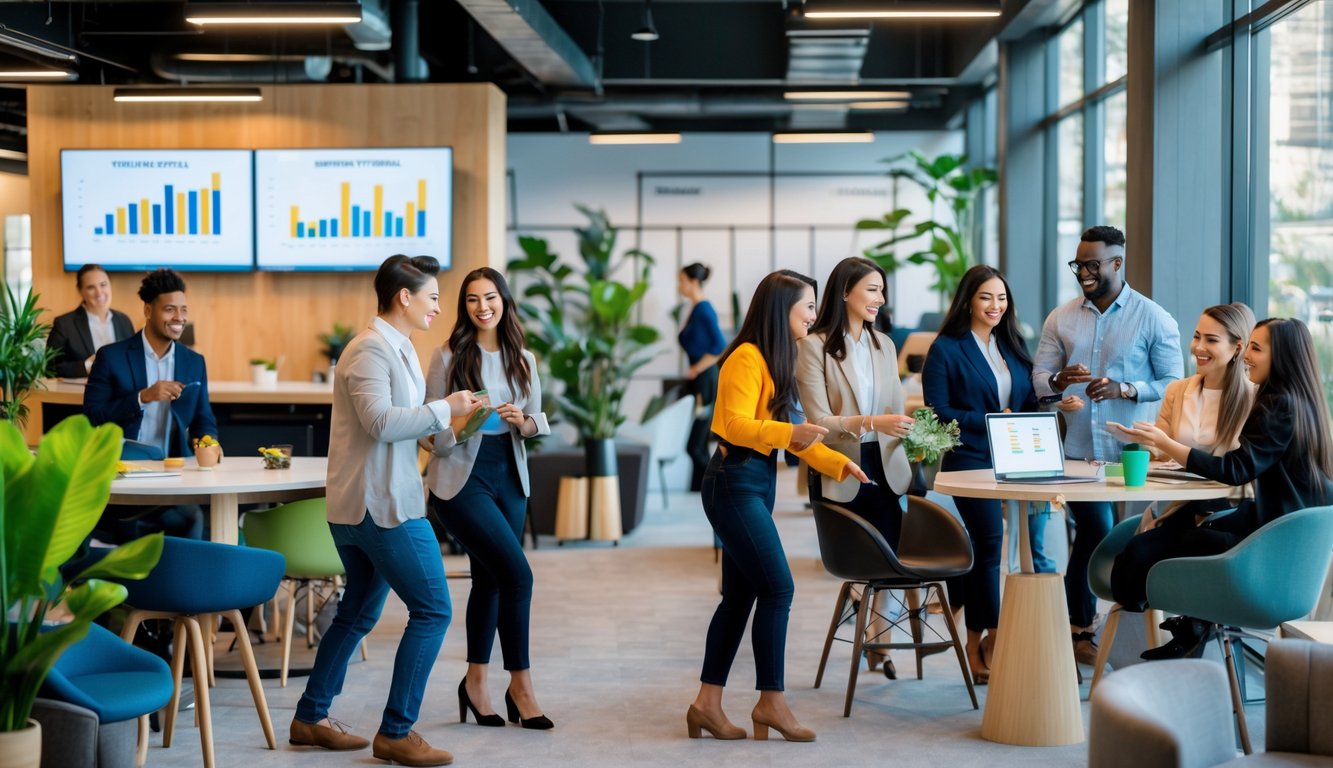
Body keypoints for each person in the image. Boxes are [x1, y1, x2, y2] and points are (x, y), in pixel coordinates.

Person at [291, 254, 480, 767]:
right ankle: (396, 731)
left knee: (357, 612)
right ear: (404, 297)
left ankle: (309, 717)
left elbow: (411, 428)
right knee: (434, 610)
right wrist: (444, 408)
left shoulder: (400, 349)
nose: (438, 307)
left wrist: (458, 424)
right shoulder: (369, 349)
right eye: (432, 297)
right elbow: (380, 423)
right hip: (381, 507)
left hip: (371, 505)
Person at [687, 270, 869, 743]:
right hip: (733, 482)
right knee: (778, 588)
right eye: (807, 306)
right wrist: (791, 433)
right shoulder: (746, 357)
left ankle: (706, 705)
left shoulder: (779, 357)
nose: (813, 315)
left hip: (755, 481)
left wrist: (838, 464)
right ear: (780, 308)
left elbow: (797, 435)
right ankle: (771, 702)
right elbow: (734, 425)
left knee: (740, 596)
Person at [1111, 318, 1333, 658]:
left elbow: (1236, 469)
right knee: (1174, 531)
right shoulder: (1307, 405)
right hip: (1285, 548)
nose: (1246, 356)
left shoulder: (1277, 405)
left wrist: (1166, 443)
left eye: (1256, 348)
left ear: (1282, 356)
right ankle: (1193, 623)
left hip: (1262, 553)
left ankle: (1180, 620)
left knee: (1141, 550)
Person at [1032, 225, 1183, 667]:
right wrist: (1058, 380)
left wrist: (1126, 389)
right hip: (1079, 454)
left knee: (1138, 539)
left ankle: (1134, 628)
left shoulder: (1154, 317)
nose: (1084, 272)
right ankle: (1080, 628)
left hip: (1136, 455)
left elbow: (1174, 382)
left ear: (1117, 263)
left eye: (1093, 264)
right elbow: (1039, 378)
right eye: (1079, 264)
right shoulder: (1060, 318)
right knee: (1095, 530)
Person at [921, 264, 1080, 684]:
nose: (995, 305)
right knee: (989, 543)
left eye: (1002, 298)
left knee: (1029, 545)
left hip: (1018, 459)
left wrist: (1056, 402)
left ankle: (1003, 638)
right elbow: (938, 411)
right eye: (986, 297)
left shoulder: (1011, 344)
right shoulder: (946, 349)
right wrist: (991, 420)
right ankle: (981, 640)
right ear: (968, 301)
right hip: (971, 461)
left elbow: (1026, 400)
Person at [424, 267, 553, 731]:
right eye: (473, 299)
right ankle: (521, 686)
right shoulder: (447, 355)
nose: (483, 307)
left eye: (491, 297)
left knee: (491, 581)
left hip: (510, 476)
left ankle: (475, 683)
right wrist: (460, 427)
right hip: (462, 479)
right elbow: (428, 429)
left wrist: (522, 421)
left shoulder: (524, 358)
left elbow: (537, 420)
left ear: (504, 301)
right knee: (518, 575)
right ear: (465, 306)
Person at [795, 256, 915, 679]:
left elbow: (896, 409)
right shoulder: (814, 347)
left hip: (886, 466)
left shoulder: (885, 345)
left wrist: (912, 431)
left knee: (889, 560)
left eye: (882, 291)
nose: (880, 299)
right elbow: (817, 421)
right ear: (845, 291)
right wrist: (871, 422)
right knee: (863, 562)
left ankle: (880, 643)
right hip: (843, 467)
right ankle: (864, 615)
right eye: (872, 290)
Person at [84, 268, 217, 540]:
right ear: (147, 310)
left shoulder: (194, 362)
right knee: (130, 530)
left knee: (192, 517)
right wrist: (142, 397)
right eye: (169, 309)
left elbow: (204, 419)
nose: (179, 317)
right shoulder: (111, 357)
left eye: (183, 309)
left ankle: (179, 570)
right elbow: (92, 416)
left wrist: (208, 441)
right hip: (121, 474)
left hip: (173, 476)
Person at [1130, 303, 1257, 525]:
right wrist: (1144, 439)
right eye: (1197, 337)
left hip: (1224, 513)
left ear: (1237, 348)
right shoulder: (1177, 390)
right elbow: (1161, 452)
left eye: (1211, 340)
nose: (1198, 347)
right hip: (1177, 505)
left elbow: (1243, 469)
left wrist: (1163, 443)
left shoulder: (1254, 398)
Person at [678, 262, 728, 490]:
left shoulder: (703, 309)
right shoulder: (696, 308)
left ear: (694, 282)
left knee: (696, 444)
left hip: (705, 380)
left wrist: (697, 368)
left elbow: (720, 345)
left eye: (682, 281)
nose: (679, 286)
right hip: (700, 380)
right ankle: (703, 486)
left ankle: (711, 486)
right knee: (696, 442)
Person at [47, 264, 134, 378]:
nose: (99, 292)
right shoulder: (64, 324)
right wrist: (87, 366)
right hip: (82, 388)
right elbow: (50, 368)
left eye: (103, 285)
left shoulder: (124, 321)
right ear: (80, 291)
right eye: (91, 287)